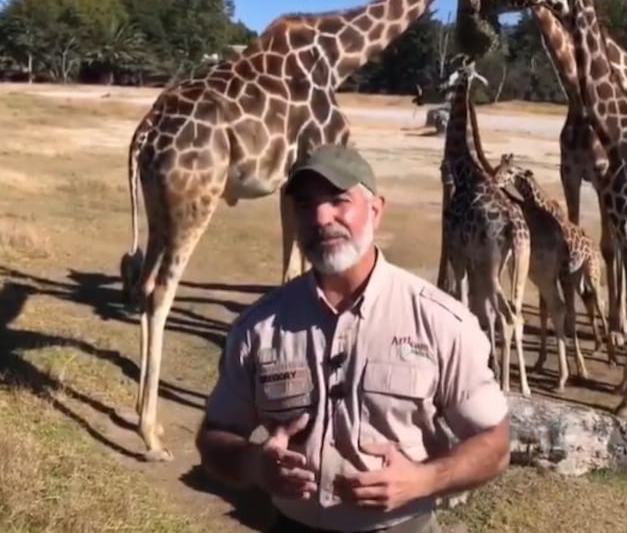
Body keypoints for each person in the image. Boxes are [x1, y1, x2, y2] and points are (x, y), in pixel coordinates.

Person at [195, 143, 511, 533]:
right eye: (305, 205)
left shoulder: (441, 322)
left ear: (376, 209)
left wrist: (423, 480)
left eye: (338, 200)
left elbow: (494, 442)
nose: (320, 217)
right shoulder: (258, 328)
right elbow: (214, 436)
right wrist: (254, 465)